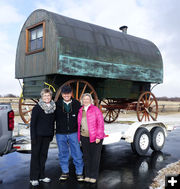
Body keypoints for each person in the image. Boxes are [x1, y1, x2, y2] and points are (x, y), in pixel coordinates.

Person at [55, 85, 84, 181]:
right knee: (63, 153)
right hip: (60, 133)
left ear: (71, 93)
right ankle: (65, 172)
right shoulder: (57, 104)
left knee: (77, 153)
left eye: (68, 93)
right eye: (64, 93)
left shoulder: (76, 104)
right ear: (62, 94)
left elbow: (82, 117)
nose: (66, 95)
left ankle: (79, 172)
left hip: (73, 132)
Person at [30, 88, 56, 186]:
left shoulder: (53, 107)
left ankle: (41, 176)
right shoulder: (37, 108)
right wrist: (33, 137)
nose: (47, 97)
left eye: (48, 95)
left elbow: (53, 122)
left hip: (47, 136)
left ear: (51, 96)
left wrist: (51, 134)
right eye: (45, 95)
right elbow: (33, 124)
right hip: (37, 136)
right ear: (42, 97)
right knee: (35, 157)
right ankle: (33, 178)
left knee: (43, 156)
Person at [78, 93, 105, 183]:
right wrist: (79, 137)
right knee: (86, 157)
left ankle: (94, 176)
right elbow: (79, 125)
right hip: (84, 137)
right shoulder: (80, 110)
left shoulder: (95, 110)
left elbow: (100, 124)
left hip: (95, 137)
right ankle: (88, 175)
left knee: (95, 157)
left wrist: (98, 136)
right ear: (82, 100)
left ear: (90, 100)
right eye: (84, 99)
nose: (86, 101)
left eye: (87, 99)